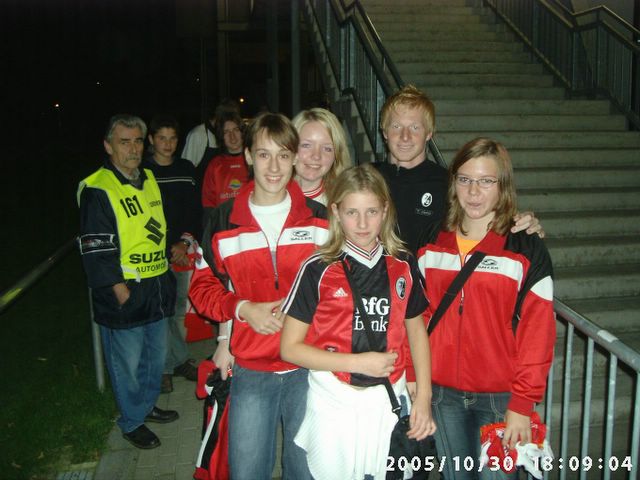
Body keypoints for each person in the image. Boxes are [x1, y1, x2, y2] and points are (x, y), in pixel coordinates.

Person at [189, 112, 328, 480]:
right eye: (264, 154)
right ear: (248, 155)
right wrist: (242, 308)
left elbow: (338, 289)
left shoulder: (321, 219)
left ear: (295, 158)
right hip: (251, 368)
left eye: (283, 155)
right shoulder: (222, 221)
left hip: (309, 368)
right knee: (247, 472)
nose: (274, 167)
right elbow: (201, 288)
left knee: (306, 472)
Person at [280, 163, 436, 479]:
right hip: (333, 399)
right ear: (336, 212)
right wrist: (357, 363)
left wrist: (424, 396)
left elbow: (417, 332)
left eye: (372, 212)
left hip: (388, 399)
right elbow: (290, 348)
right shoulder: (317, 268)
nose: (363, 223)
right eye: (352, 212)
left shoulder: (403, 263)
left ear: (385, 210)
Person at [416, 138, 555, 480]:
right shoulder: (431, 240)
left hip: (500, 398)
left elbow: (538, 334)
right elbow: (416, 317)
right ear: (454, 183)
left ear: (502, 185)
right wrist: (414, 377)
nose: (474, 191)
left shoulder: (525, 247)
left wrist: (522, 404)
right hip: (442, 394)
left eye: (486, 181)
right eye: (465, 179)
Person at [77, 114, 179, 450]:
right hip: (126, 291)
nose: (133, 149)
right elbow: (96, 251)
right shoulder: (98, 188)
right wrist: (121, 292)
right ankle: (132, 421)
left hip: (156, 285)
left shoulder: (147, 177)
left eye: (137, 141)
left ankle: (146, 406)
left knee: (154, 357)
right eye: (124, 142)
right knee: (128, 364)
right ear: (108, 146)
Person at [376, 84, 542, 254]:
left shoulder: (450, 183)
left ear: (429, 133)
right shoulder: (368, 179)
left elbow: (489, 215)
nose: (405, 136)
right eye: (396, 126)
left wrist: (521, 222)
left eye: (415, 127)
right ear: (384, 131)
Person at [144, 114, 201, 393]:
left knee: (177, 310)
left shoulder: (186, 168)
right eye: (162, 138)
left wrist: (184, 243)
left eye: (172, 139)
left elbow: (195, 211)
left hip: (182, 250)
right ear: (151, 140)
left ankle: (175, 361)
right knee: (159, 311)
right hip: (153, 252)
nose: (167, 144)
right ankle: (166, 367)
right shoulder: (143, 171)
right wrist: (164, 247)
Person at [292, 107, 351, 205]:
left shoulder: (345, 203)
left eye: (327, 148)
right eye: (306, 145)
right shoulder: (268, 196)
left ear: (336, 156)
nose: (316, 156)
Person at [201, 110, 249, 208]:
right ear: (221, 137)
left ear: (242, 133)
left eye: (236, 130)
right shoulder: (215, 165)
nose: (232, 136)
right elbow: (208, 202)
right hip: (223, 217)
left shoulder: (254, 161)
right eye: (226, 132)